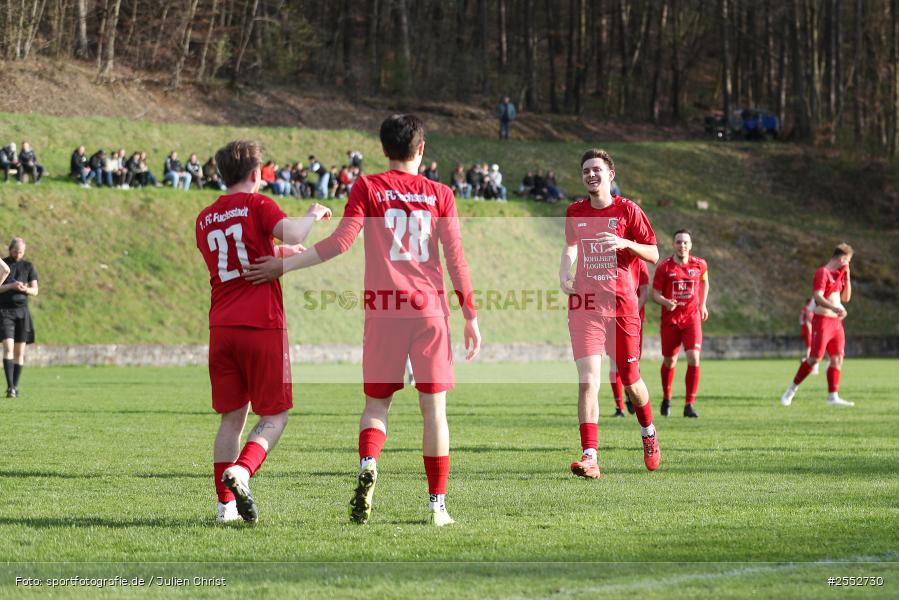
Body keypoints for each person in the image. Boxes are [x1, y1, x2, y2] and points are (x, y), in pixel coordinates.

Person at [246, 114, 482, 527]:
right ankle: (436, 506)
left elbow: (339, 243)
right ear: (422, 150)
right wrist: (470, 315)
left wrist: (285, 266)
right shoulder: (441, 193)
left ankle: (369, 463)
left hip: (384, 312)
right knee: (435, 412)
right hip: (429, 312)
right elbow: (456, 258)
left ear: (384, 149)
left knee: (377, 404)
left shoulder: (368, 187)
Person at [195, 139, 332, 524]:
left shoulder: (204, 218)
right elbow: (290, 233)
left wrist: (278, 255)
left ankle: (224, 508)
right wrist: (312, 212)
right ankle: (242, 470)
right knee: (275, 414)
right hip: (262, 324)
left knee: (230, 419)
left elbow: (242, 257)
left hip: (221, 325)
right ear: (256, 175)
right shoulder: (258, 204)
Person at [560, 149, 660, 479]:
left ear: (610, 175)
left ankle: (648, 433)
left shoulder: (628, 210)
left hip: (622, 309)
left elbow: (655, 253)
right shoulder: (575, 211)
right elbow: (571, 246)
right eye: (586, 170)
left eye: (597, 170)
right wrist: (565, 270)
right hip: (585, 307)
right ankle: (590, 456)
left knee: (631, 383)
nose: (591, 174)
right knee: (588, 381)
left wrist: (625, 244)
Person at [781, 243, 855, 408]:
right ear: (842, 258)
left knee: (837, 359)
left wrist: (847, 275)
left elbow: (846, 298)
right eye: (848, 261)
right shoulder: (823, 273)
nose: (848, 264)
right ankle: (791, 390)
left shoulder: (838, 275)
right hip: (823, 321)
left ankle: (832, 396)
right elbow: (818, 296)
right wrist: (834, 308)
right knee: (814, 359)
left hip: (837, 323)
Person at [652, 229, 709, 418]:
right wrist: (666, 302)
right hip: (670, 321)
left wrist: (703, 304)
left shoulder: (700, 264)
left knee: (694, 357)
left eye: (685, 242)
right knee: (670, 361)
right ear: (673, 245)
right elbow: (655, 294)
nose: (682, 245)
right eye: (678, 242)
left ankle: (689, 405)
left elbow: (704, 282)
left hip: (691, 319)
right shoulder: (664, 268)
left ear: (690, 245)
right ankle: (667, 398)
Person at [1, 238, 38, 398]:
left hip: (22, 312)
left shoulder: (28, 266)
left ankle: (15, 386)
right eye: (15, 251)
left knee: (19, 352)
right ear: (10, 249)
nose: (18, 254)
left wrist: (25, 289)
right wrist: (11, 286)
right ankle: (9, 386)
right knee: (8, 348)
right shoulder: (3, 265)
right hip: (4, 311)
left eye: (21, 252)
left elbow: (35, 290)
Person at [613, 258, 649, 417]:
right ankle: (619, 407)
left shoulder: (640, 261)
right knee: (614, 365)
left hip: (632, 320)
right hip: (612, 317)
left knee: (631, 369)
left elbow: (644, 292)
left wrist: (632, 311)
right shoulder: (608, 258)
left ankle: (631, 395)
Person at [799, 297, 820, 375]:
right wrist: (811, 331)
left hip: (804, 329)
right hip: (808, 330)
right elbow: (808, 321)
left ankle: (806, 360)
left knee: (810, 346)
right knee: (810, 347)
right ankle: (806, 361)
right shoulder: (808, 309)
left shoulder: (804, 308)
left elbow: (802, 320)